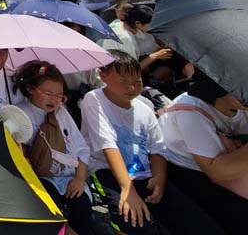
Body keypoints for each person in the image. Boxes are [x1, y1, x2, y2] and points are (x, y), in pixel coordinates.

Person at [81, 51, 221, 235]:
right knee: (133, 219)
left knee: (195, 220)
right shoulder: (94, 100)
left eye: (137, 81)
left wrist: (159, 178)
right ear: (103, 76)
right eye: (124, 81)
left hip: (143, 172)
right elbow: (108, 145)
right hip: (107, 170)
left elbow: (157, 148)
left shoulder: (144, 107)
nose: (131, 87)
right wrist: (127, 189)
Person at [158, 72, 248, 234]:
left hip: (231, 162)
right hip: (185, 170)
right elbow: (217, 172)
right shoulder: (190, 111)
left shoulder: (239, 103)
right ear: (219, 87)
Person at [14, 61, 94, 235]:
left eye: (59, 95)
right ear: (30, 89)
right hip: (41, 177)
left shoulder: (62, 112)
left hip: (68, 176)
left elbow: (81, 148)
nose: (54, 99)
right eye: (48, 93)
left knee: (83, 209)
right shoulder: (20, 114)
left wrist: (80, 178)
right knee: (50, 208)